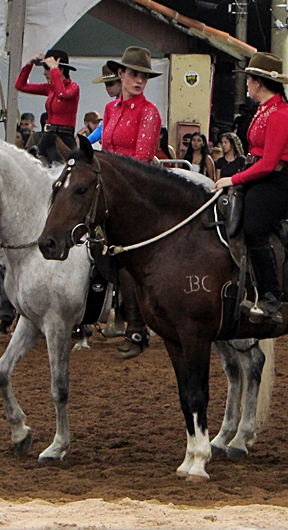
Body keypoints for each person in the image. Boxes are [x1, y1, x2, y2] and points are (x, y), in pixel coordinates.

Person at [214, 52, 288, 322]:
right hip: (260, 176)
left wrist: (234, 179)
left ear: (259, 82)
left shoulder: (281, 114)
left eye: (249, 80)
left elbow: (268, 163)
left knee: (254, 229)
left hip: (275, 181)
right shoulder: (266, 109)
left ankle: (271, 296)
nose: (247, 85)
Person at [100, 46, 163, 358]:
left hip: (136, 192)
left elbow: (141, 162)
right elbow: (105, 150)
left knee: (125, 253)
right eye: (134, 74)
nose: (139, 80)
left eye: (144, 76)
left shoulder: (149, 112)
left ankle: (136, 326)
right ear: (121, 74)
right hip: (111, 188)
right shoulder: (110, 109)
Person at [15, 48, 79, 164]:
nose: (45, 73)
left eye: (47, 68)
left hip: (64, 138)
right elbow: (20, 86)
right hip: (48, 136)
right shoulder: (50, 88)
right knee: (29, 162)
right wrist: (30, 64)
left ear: (61, 70)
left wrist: (54, 69)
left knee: (59, 165)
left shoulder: (73, 87)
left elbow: (62, 94)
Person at [88, 64, 122, 145]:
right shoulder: (112, 106)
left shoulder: (116, 105)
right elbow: (103, 127)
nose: (107, 88)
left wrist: (88, 140)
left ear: (121, 82)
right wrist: (87, 141)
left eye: (111, 84)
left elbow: (103, 128)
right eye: (106, 84)